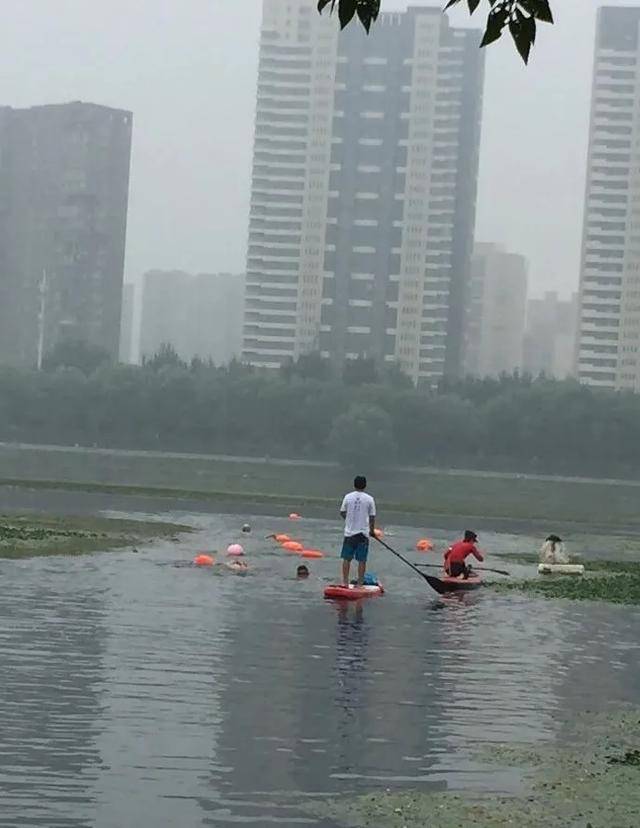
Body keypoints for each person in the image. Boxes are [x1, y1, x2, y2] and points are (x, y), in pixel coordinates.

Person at [340, 475, 376, 587]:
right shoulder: (369, 499)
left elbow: (342, 512)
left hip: (349, 533)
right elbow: (372, 516)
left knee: (347, 558)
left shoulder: (347, 497)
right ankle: (360, 584)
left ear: (354, 484)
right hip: (363, 534)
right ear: (365, 485)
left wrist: (349, 519)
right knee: (362, 560)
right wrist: (372, 531)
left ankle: (345, 582)